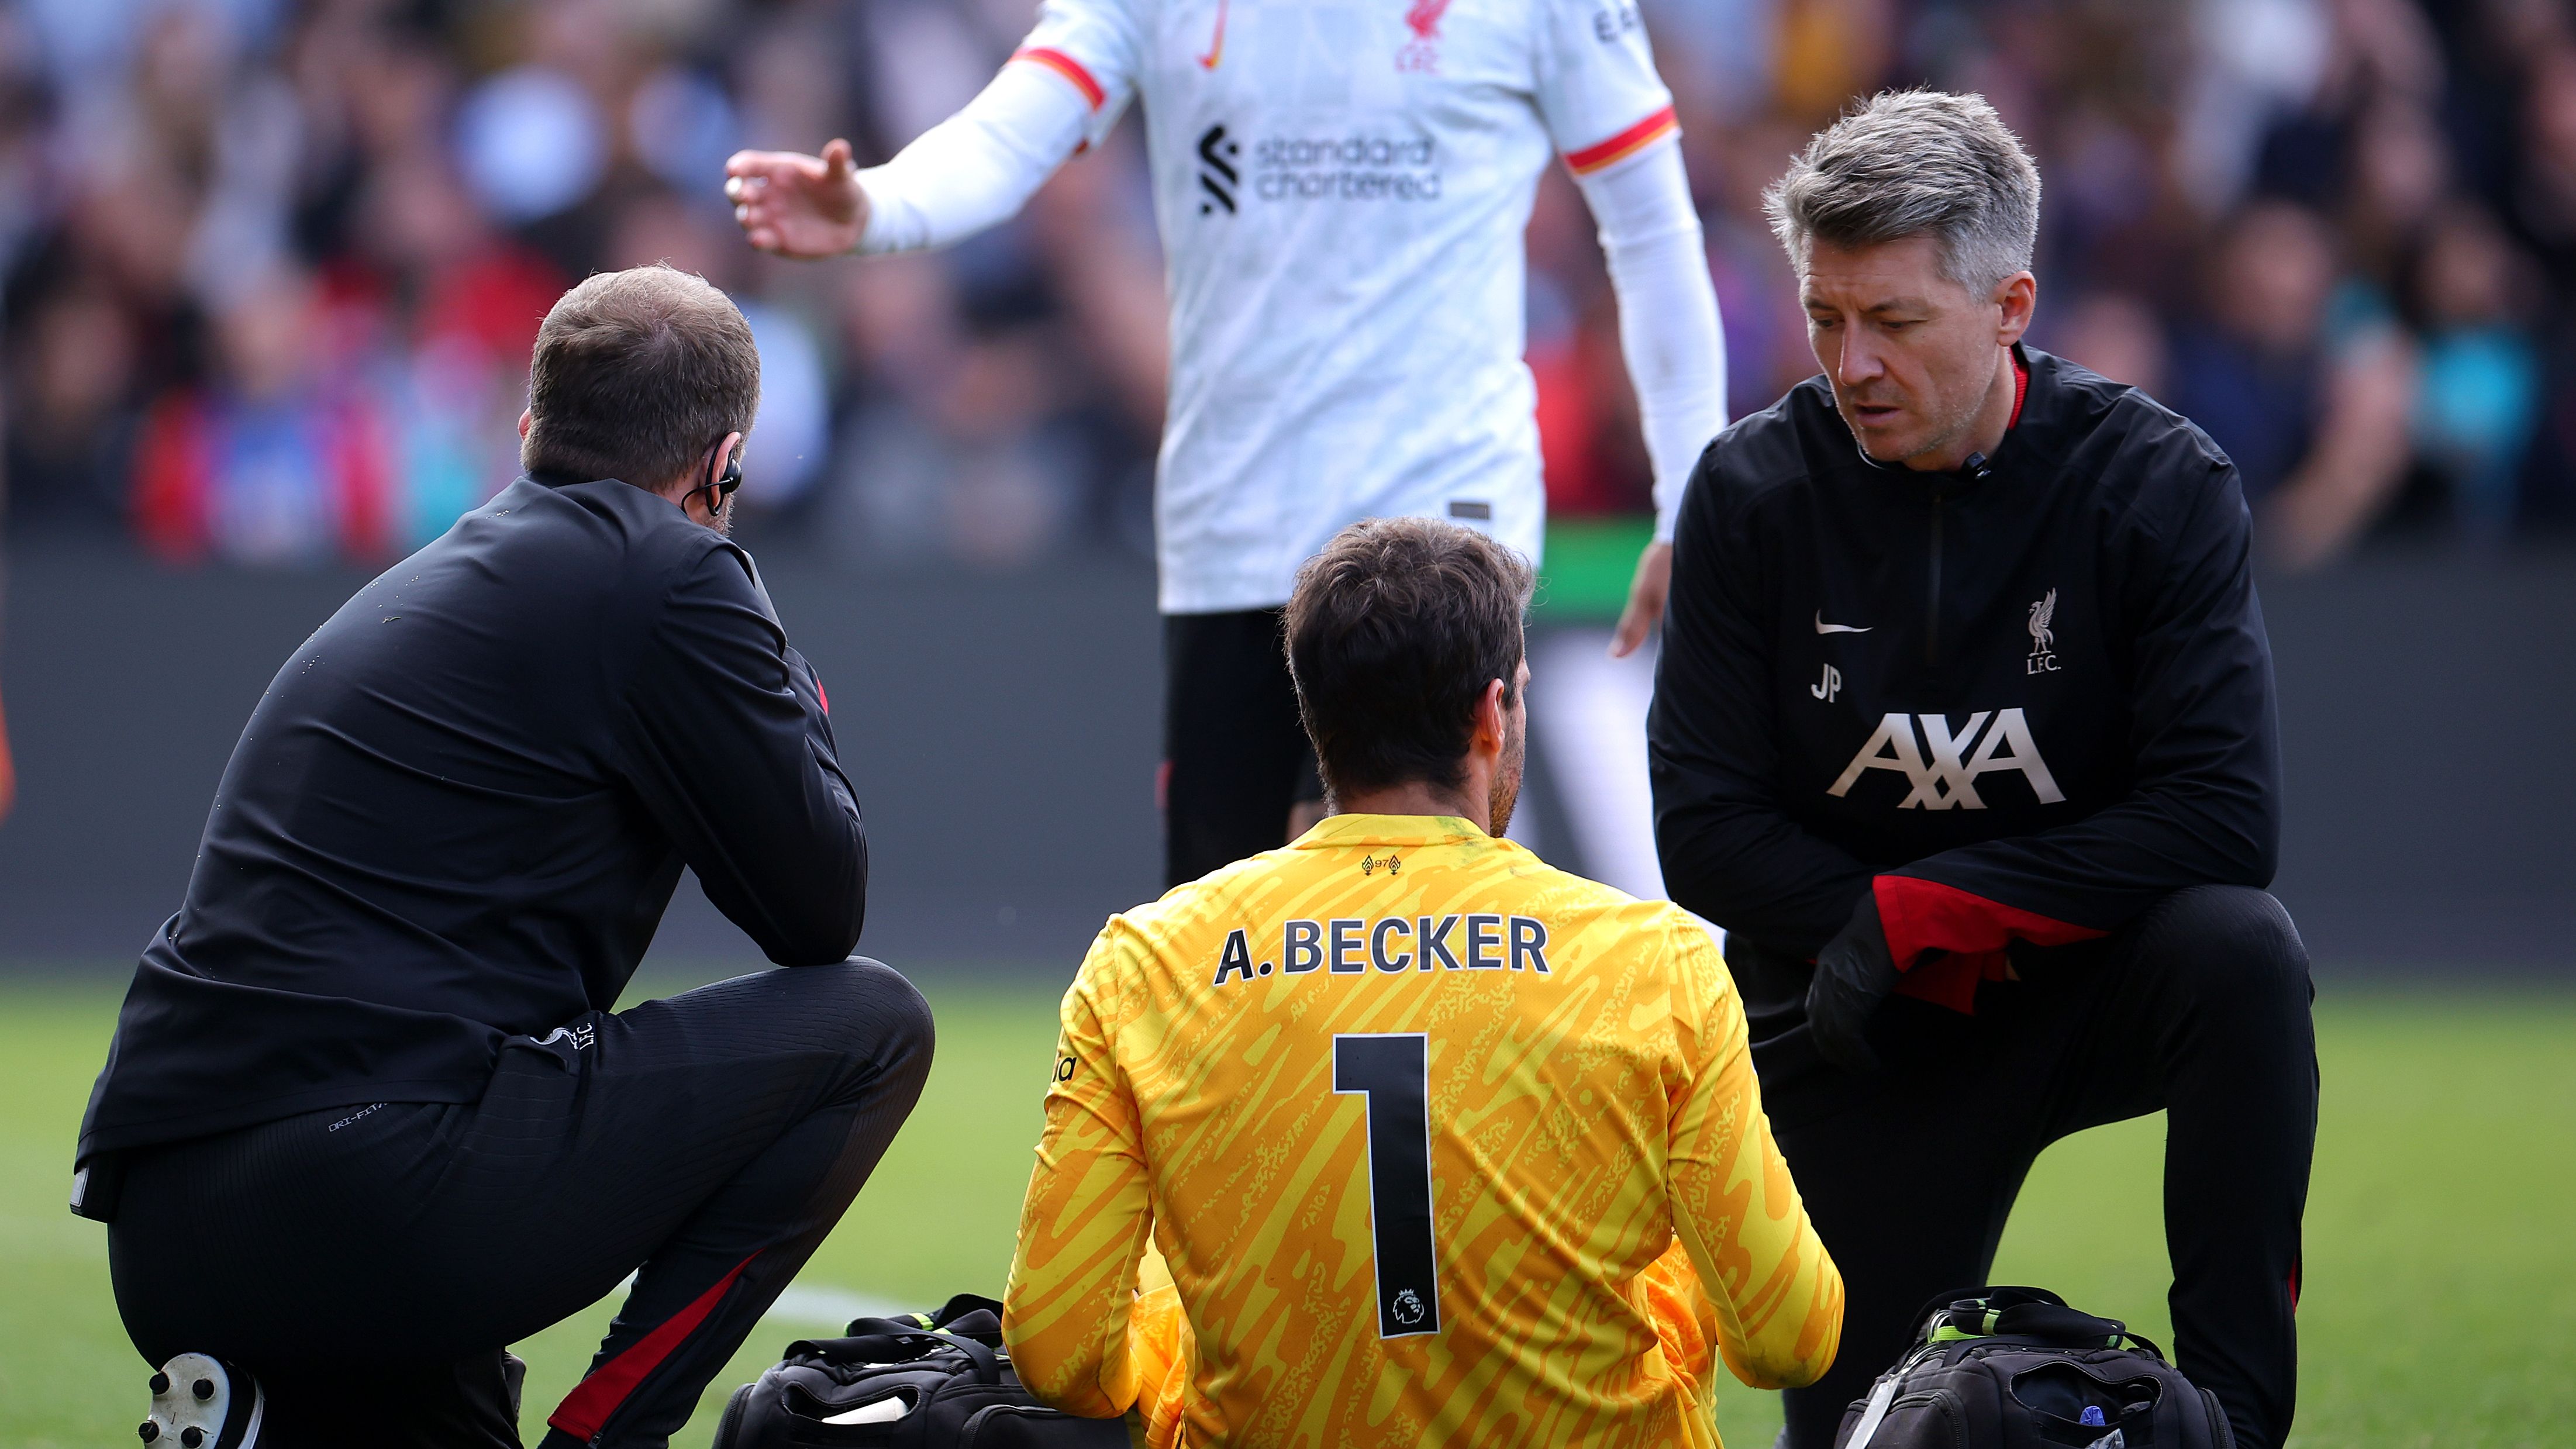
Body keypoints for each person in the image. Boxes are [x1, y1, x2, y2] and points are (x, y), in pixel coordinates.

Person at [73, 265, 934, 1449]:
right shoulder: (672, 572)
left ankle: (278, 1414)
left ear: (529, 431)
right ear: (724, 463)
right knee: (871, 1024)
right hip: (373, 1189)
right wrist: (764, 637)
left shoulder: (432, 580)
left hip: (166, 1226)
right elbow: (818, 911)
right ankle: (608, 1438)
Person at [1647, 92, 2317, 1449]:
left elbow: (2223, 818)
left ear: (2012, 304)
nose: (1852, 361)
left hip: (2075, 986)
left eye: (1894, 321)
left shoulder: (2157, 483)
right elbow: (1703, 832)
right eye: (1826, 317)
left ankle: (2236, 1420)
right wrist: (1883, 933)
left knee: (2243, 951)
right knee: (1861, 1432)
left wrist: (1935, 912)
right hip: (1852, 1016)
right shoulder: (1749, 493)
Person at [722, 0, 1727, 888]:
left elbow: (1650, 228)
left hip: (1441, 513)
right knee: (1229, 959)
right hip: (1234, 531)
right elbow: (1010, 130)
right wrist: (876, 207)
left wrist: (1691, 495)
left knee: (1391, 899)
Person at [1000, 517, 1842, 1448]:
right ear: (1490, 714)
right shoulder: (1653, 959)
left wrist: (1173, 1362)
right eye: (1519, 693)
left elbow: (1059, 1348)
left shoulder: (1146, 959)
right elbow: (1789, 1338)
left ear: (1317, 715)